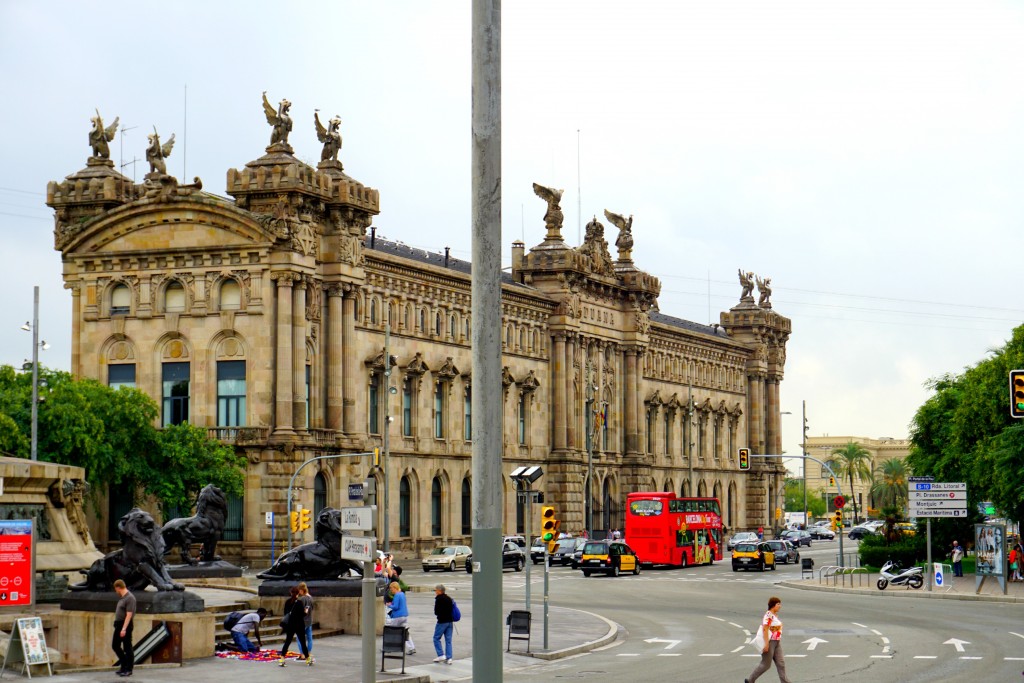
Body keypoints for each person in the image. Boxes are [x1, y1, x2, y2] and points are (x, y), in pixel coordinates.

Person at [746, 596, 791, 683]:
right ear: (773, 605)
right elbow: (765, 629)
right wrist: (766, 644)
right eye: (778, 604)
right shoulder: (768, 615)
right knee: (766, 665)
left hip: (777, 642)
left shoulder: (774, 615)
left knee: (781, 664)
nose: (780, 606)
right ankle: (750, 680)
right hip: (770, 642)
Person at [278, 586, 309, 666]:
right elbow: (302, 615)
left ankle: (282, 659)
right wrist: (306, 611)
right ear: (298, 593)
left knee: (287, 642)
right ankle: (307, 659)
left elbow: (285, 613)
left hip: (290, 625)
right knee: (302, 642)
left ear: (290, 593)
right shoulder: (299, 603)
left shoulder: (287, 602)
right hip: (299, 625)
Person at [112, 579, 136, 677]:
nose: (116, 591)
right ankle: (124, 665)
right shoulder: (123, 597)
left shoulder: (130, 598)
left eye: (115, 589)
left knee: (127, 647)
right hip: (119, 624)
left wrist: (124, 629)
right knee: (115, 645)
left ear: (118, 587)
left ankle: (128, 668)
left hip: (125, 625)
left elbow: (129, 615)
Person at [387, 581, 416, 655]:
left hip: (398, 616)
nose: (391, 590)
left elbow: (395, 607)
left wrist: (389, 605)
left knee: (391, 631)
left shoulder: (397, 595)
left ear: (395, 588)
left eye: (391, 589)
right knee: (405, 632)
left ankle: (388, 647)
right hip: (404, 616)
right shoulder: (402, 594)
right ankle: (411, 647)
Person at [432, 584, 454, 665]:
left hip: (442, 621)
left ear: (439, 591)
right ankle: (449, 658)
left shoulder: (439, 599)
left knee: (436, 638)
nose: (435, 592)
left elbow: (436, 612)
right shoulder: (449, 598)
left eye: (436, 590)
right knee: (448, 640)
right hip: (450, 621)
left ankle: (441, 654)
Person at [297, 582, 314, 663]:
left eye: (299, 591)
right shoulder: (310, 598)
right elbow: (312, 608)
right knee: (309, 638)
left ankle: (302, 654)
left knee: (299, 638)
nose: (299, 592)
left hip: (303, 621)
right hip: (309, 620)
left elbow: (303, 611)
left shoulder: (303, 599)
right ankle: (309, 653)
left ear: (302, 590)